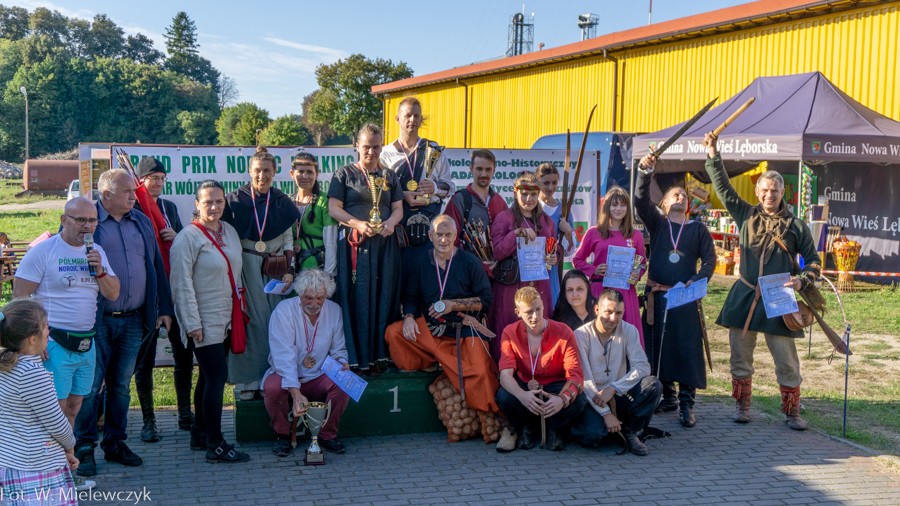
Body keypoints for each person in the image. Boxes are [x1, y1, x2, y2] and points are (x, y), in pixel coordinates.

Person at [703, 132, 822, 431]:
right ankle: (742, 407)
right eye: (765, 190)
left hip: (779, 298)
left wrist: (801, 282)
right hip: (745, 296)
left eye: (775, 191)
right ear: (757, 192)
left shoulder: (796, 226)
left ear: (783, 193)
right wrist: (713, 154)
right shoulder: (745, 215)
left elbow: (814, 263)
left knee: (787, 361)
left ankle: (792, 412)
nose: (770, 195)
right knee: (740, 357)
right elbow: (722, 186)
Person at [13, 197, 119, 491]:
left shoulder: (96, 251)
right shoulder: (44, 251)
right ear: (64, 220)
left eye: (92, 220)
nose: (87, 226)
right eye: (80, 220)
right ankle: (48, 475)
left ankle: (64, 473)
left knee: (73, 408)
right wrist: (33, 340)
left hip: (86, 343)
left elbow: (113, 293)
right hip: (54, 343)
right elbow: (19, 298)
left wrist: (100, 271)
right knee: (54, 413)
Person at [73, 169, 173, 477]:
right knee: (90, 387)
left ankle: (115, 443)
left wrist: (163, 307)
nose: (134, 195)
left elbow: (155, 265)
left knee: (120, 386)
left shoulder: (141, 221)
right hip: (96, 320)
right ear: (106, 195)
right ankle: (84, 448)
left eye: (134, 190)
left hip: (133, 319)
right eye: (127, 191)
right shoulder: (89, 224)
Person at [384, 216, 498, 417]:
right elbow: (410, 297)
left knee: (481, 371)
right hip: (432, 331)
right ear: (430, 236)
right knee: (394, 333)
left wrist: (452, 305)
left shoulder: (470, 262)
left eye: (448, 235)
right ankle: (433, 362)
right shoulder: (421, 263)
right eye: (439, 234)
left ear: (455, 236)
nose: (443, 240)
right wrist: (409, 317)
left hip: (463, 330)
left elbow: (485, 300)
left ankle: (490, 413)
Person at [170, 180, 250, 463]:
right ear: (197, 204)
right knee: (216, 378)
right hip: (203, 320)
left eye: (219, 201)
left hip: (227, 317)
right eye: (208, 202)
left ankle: (200, 433)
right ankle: (216, 444)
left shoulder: (229, 231)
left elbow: (235, 273)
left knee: (207, 377)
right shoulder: (187, 238)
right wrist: (192, 323)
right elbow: (181, 285)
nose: (214, 207)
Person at [635, 155, 715, 428]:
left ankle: (687, 404)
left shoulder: (698, 229)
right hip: (658, 298)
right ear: (665, 204)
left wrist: (697, 280)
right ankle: (667, 397)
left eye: (684, 194)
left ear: (688, 204)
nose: (680, 195)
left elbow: (710, 261)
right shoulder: (658, 224)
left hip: (685, 298)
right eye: (674, 194)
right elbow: (640, 201)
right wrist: (645, 172)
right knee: (660, 347)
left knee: (686, 348)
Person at [223, 147, 300, 398]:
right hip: (246, 267)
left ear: (275, 172)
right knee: (251, 322)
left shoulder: (282, 201)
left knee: (274, 323)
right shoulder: (235, 201)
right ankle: (247, 383)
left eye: (267, 171)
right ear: (249, 171)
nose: (262, 176)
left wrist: (289, 270)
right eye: (257, 170)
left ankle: (272, 381)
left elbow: (288, 239)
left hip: (274, 268)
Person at [328, 123, 403, 373]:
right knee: (357, 297)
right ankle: (357, 358)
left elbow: (398, 208)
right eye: (367, 146)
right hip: (356, 247)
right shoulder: (344, 174)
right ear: (357, 146)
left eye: (376, 147)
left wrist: (391, 224)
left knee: (384, 296)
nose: (371, 152)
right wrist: (358, 224)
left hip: (385, 246)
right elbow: (334, 209)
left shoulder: (389, 176)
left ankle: (381, 357)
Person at [132, 156, 193, 442]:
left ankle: (185, 414)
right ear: (141, 181)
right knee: (144, 361)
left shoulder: (168, 207)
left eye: (161, 178)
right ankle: (148, 420)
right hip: (148, 293)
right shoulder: (134, 207)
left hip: (174, 288)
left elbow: (183, 242)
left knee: (184, 355)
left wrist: (176, 235)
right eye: (153, 178)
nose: (158, 183)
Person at [262, 269, 351, 457]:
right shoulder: (284, 311)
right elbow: (283, 357)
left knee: (344, 381)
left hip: (318, 375)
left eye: (320, 298)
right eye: (308, 298)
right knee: (272, 387)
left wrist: (341, 362)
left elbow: (338, 349)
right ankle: (282, 434)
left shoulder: (334, 310)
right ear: (299, 293)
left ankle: (327, 434)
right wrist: (295, 393)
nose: (314, 304)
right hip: (286, 374)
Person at [0, 300, 79, 504]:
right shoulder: (31, 374)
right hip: (36, 469)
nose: (48, 332)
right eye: (45, 327)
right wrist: (70, 445)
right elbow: (56, 423)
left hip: (11, 463)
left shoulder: (7, 367)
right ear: (32, 339)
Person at [570, 290, 662, 456]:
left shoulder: (629, 330)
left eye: (619, 313)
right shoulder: (581, 335)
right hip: (592, 397)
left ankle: (631, 431)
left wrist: (614, 388)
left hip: (618, 393)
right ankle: (608, 425)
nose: (613, 318)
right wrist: (605, 413)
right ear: (596, 310)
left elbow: (642, 366)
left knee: (653, 385)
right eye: (608, 312)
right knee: (592, 436)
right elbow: (584, 380)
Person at [495, 286, 585, 452]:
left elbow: (576, 375)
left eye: (538, 309)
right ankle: (526, 426)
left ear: (543, 305)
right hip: (526, 386)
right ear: (518, 312)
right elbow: (505, 375)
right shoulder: (510, 332)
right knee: (504, 396)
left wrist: (562, 399)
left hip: (555, 386)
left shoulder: (564, 331)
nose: (535, 316)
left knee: (579, 399)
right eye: (529, 312)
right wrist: (521, 395)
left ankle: (555, 428)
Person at [489, 172, 559, 361]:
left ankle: (537, 370)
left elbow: (554, 247)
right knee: (509, 330)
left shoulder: (547, 221)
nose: (529, 199)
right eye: (524, 194)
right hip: (512, 286)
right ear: (515, 192)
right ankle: (506, 372)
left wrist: (554, 257)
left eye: (533, 194)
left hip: (539, 285)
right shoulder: (504, 218)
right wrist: (516, 233)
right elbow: (497, 252)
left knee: (538, 330)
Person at [573, 186, 647, 348]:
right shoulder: (594, 232)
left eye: (623, 205)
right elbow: (577, 260)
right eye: (614, 205)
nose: (618, 209)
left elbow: (641, 262)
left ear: (628, 208)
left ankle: (628, 364)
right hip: (600, 289)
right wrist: (594, 270)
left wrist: (637, 274)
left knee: (627, 337)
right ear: (607, 207)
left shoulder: (635, 235)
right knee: (600, 337)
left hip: (626, 291)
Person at [380, 97, 455, 254]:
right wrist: (401, 195)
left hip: (429, 224)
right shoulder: (386, 154)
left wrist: (434, 187)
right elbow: (381, 191)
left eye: (416, 116)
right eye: (407, 115)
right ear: (397, 119)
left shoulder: (433, 151)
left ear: (421, 119)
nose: (412, 120)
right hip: (398, 228)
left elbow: (450, 187)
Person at [444, 149, 509, 276]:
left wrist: (499, 260)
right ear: (471, 169)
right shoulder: (460, 200)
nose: (484, 174)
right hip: (468, 274)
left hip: (497, 274)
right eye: (479, 169)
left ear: (494, 170)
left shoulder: (500, 201)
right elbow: (449, 238)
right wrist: (475, 263)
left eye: (488, 169)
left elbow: (506, 236)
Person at [290, 152, 337, 275]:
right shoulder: (288, 202)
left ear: (317, 174)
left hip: (318, 269)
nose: (305, 176)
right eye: (300, 171)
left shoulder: (324, 201)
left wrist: (328, 275)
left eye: (310, 172)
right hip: (293, 268)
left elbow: (331, 242)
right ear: (292, 174)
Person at [535, 163, 575, 307]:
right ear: (538, 182)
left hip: (551, 267)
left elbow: (569, 249)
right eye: (546, 183)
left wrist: (568, 232)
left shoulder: (563, 209)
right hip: (532, 264)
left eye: (554, 183)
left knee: (550, 304)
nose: (550, 187)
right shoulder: (532, 206)